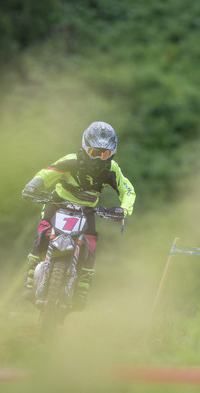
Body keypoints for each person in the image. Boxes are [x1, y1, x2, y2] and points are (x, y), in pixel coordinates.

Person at [21, 121, 136, 310]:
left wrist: (123, 209)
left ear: (112, 153)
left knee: (90, 245)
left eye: (104, 154)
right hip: (58, 203)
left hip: (86, 210)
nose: (99, 158)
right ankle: (29, 281)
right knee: (42, 235)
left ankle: (82, 290)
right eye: (94, 152)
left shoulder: (112, 169)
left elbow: (127, 190)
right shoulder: (71, 160)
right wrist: (33, 186)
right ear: (85, 147)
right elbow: (47, 173)